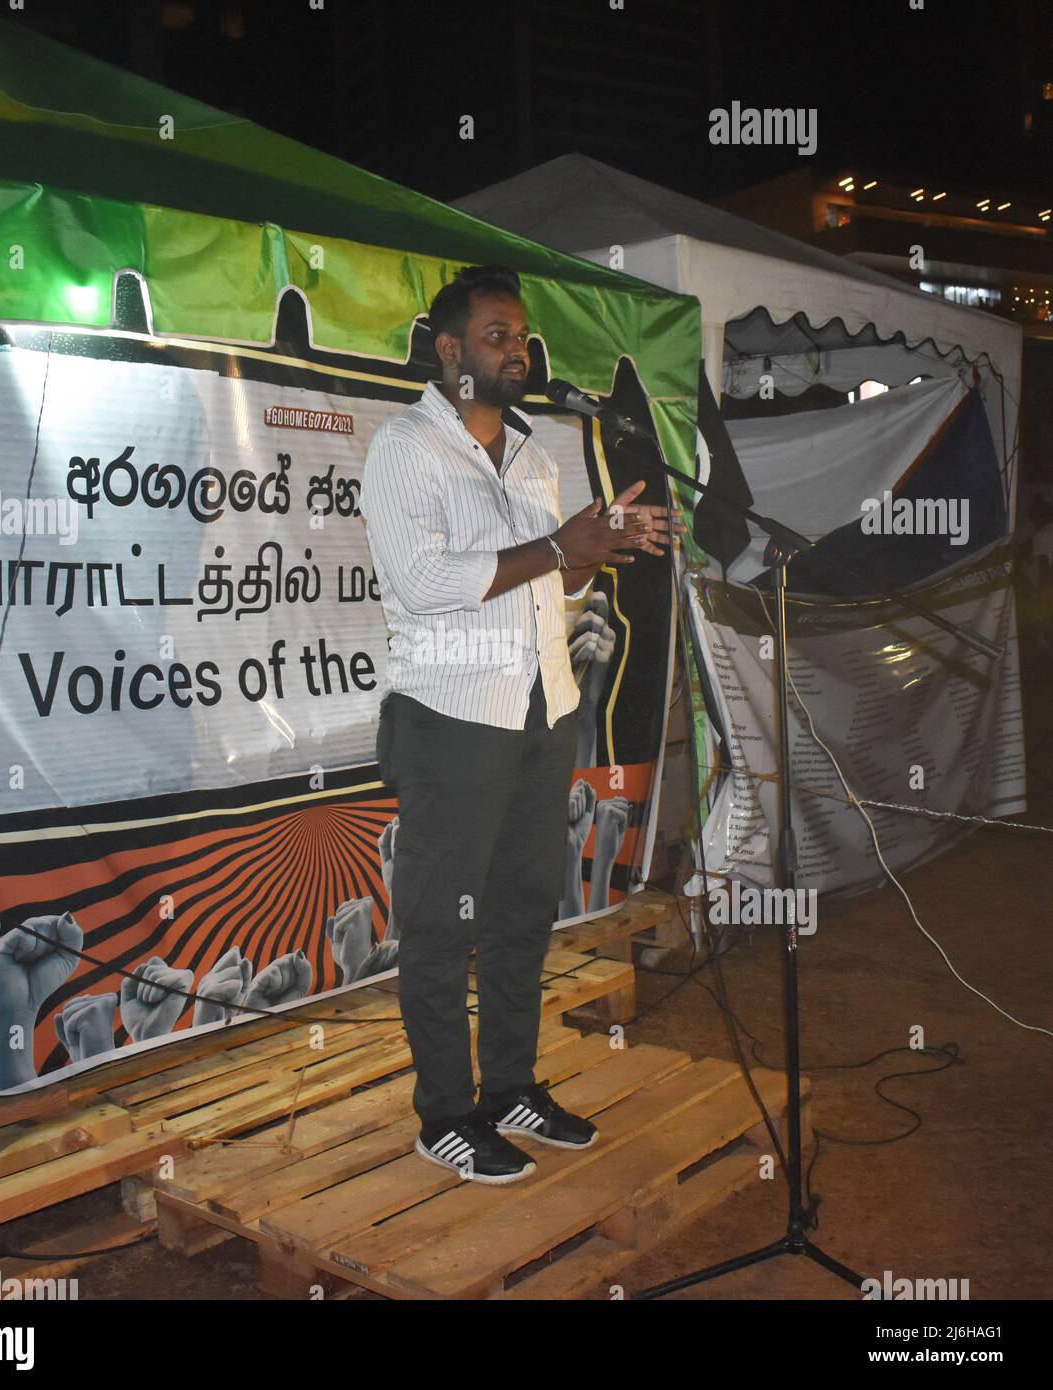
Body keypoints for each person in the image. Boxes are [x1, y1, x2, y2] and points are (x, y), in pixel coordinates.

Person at [361, 264, 675, 1184]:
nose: (518, 351)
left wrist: (593, 548)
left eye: (522, 336)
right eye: (497, 335)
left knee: (518, 913)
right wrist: (555, 546)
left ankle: (508, 1088)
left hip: (543, 709)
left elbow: (559, 581)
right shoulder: (405, 449)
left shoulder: (536, 451)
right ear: (450, 349)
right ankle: (444, 1114)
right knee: (439, 922)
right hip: (455, 718)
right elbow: (424, 584)